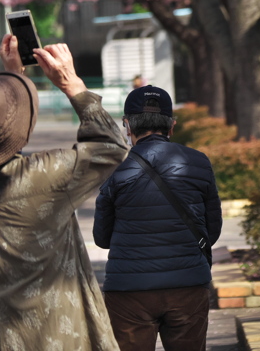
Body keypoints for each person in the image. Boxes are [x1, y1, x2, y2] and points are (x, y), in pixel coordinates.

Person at [0, 36, 127, 351]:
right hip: (54, 338)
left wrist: (13, 82)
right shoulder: (47, 177)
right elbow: (111, 146)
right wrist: (72, 84)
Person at [93, 85, 222, 351]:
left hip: (129, 291)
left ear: (127, 126)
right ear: (172, 126)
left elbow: (101, 238)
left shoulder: (115, 171)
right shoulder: (199, 162)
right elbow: (212, 229)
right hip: (188, 286)